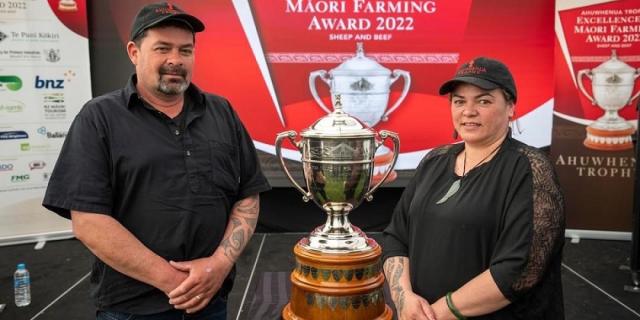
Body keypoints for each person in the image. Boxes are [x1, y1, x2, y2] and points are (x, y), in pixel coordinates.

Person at [42, 2, 271, 319]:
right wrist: (176, 282)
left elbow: (248, 194)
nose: (175, 60)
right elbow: (88, 222)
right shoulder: (99, 118)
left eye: (185, 50)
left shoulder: (222, 112)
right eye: (162, 48)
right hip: (132, 309)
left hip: (211, 301)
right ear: (134, 52)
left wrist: (219, 265)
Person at [382, 57, 565, 319]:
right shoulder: (434, 160)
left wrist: (437, 313)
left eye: (484, 101)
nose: (468, 111)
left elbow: (520, 269)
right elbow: (396, 238)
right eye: (459, 101)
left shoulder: (531, 169)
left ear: (511, 106)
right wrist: (404, 299)